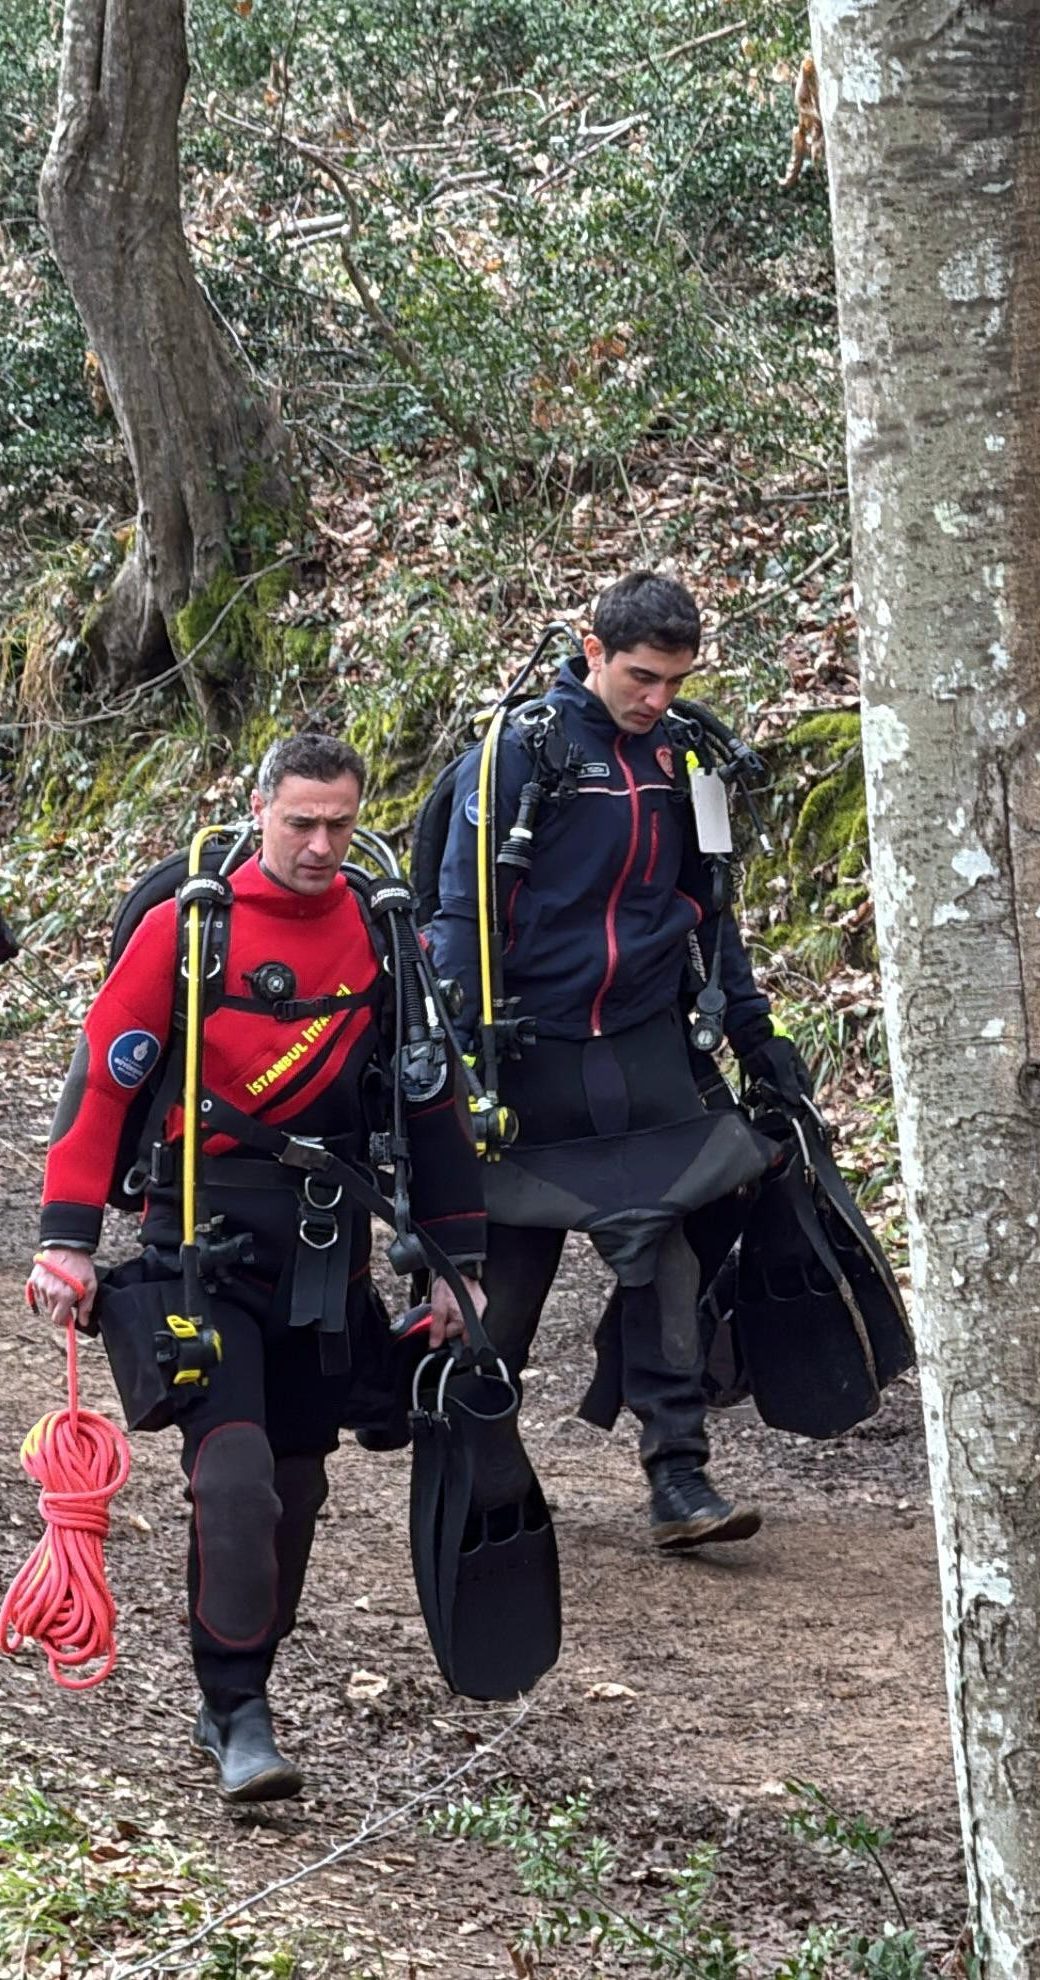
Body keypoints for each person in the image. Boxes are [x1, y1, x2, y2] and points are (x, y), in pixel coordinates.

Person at [28, 735, 488, 1803]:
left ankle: (236, 1687)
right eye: (300, 824)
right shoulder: (189, 930)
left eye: (339, 824)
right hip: (202, 1246)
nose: (321, 846)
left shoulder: (383, 934)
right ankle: (239, 1710)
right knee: (231, 1480)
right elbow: (102, 1083)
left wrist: (455, 1268)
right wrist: (65, 1240)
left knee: (295, 1487)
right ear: (258, 809)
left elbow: (430, 1106)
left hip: (326, 1256)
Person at [426, 572, 810, 1551]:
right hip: (528, 1055)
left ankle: (678, 1481)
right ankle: (478, 1480)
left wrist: (757, 1036)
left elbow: (714, 913)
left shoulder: (688, 761)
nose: (657, 700)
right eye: (641, 677)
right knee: (503, 1283)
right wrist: (462, 1063)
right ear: (591, 651)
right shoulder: (518, 758)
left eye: (675, 681)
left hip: (642, 1046)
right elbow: (459, 919)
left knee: (666, 1257)